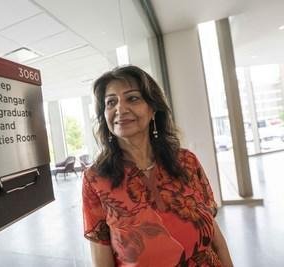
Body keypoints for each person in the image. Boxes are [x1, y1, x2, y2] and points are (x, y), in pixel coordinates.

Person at [82, 65, 233, 267]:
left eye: (132, 98)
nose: (120, 108)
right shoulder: (95, 179)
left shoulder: (186, 162)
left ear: (152, 108)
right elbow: (101, 257)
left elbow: (212, 230)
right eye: (111, 102)